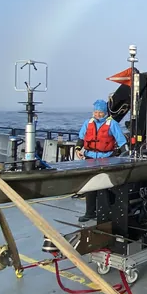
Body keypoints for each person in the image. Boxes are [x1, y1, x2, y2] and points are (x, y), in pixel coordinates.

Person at [42, 99, 127, 252]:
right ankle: (89, 212)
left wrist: (125, 154)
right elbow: (81, 138)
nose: (98, 114)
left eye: (100, 112)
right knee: (90, 186)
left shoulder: (112, 124)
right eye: (95, 112)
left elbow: (121, 141)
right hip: (89, 158)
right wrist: (78, 149)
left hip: (105, 158)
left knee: (104, 186)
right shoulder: (88, 123)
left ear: (105, 112)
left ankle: (105, 214)